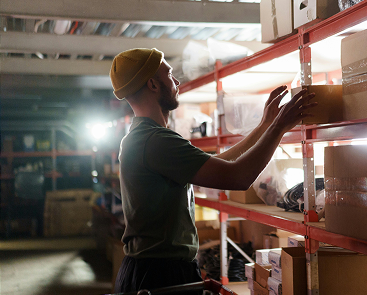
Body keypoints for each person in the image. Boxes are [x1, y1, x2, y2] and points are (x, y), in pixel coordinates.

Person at [109, 48, 316, 293]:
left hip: (153, 269)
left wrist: (265, 126)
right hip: (160, 274)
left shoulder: (144, 138)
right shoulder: (155, 141)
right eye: (169, 73)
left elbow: (221, 164)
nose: (176, 82)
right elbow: (238, 177)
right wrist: (279, 127)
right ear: (153, 85)